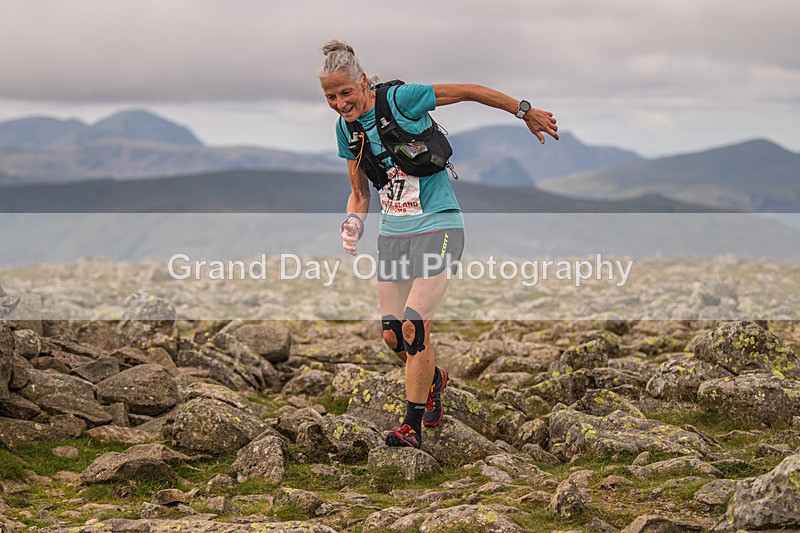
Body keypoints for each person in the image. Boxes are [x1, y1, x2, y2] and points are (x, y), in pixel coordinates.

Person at [318, 39, 558, 448]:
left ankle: (412, 427)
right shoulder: (347, 131)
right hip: (394, 235)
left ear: (362, 81)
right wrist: (353, 223)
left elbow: (467, 90)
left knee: (414, 328)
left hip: (439, 226)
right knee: (393, 334)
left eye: (345, 92)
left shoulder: (401, 100)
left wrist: (525, 111)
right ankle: (434, 377)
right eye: (330, 97)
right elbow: (359, 193)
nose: (341, 103)